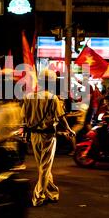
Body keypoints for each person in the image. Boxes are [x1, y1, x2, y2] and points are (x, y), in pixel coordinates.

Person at [21, 69, 75, 207]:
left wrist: (25, 132)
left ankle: (52, 192)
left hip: (34, 136)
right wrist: (69, 129)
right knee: (45, 167)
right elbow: (61, 117)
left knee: (42, 166)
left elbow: (24, 118)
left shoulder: (28, 97)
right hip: (48, 136)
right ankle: (38, 196)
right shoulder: (52, 98)